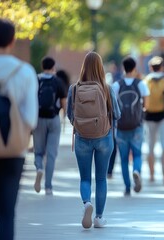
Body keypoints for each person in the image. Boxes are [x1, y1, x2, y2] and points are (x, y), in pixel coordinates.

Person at [66, 52, 120, 228]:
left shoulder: (74, 89)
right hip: (104, 137)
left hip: (82, 138)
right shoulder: (106, 88)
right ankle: (98, 217)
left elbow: (69, 115)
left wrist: (82, 124)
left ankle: (86, 203)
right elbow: (118, 114)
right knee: (101, 179)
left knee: (85, 178)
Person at [0, 17, 38, 240]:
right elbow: (31, 119)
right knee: (5, 213)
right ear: (12, 41)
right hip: (13, 150)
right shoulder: (24, 72)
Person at [112, 56, 149, 195]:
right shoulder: (141, 84)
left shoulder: (116, 85)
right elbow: (147, 105)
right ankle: (136, 171)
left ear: (123, 68)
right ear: (134, 69)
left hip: (121, 126)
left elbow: (113, 106)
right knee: (137, 153)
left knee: (123, 158)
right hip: (136, 125)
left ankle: (127, 187)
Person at [33, 57, 67, 195]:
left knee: (38, 151)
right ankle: (48, 187)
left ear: (42, 66)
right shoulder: (58, 81)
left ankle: (39, 167)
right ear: (53, 67)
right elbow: (64, 103)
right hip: (53, 119)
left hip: (39, 119)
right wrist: (64, 118)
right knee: (51, 154)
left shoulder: (36, 79)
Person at [143, 56, 164, 185]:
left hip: (149, 116)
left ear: (150, 67)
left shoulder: (146, 80)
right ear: (162, 67)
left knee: (150, 145)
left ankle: (151, 174)